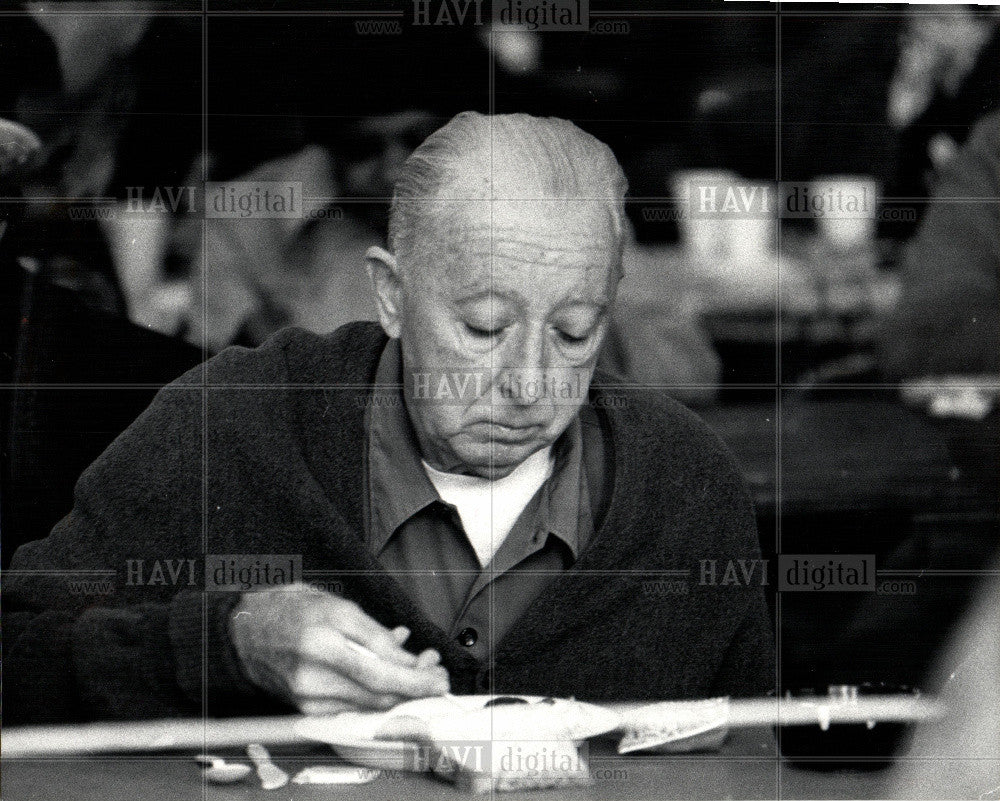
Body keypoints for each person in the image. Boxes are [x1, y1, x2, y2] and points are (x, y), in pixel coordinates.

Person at [5, 112, 772, 724]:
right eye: (482, 326)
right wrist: (226, 644)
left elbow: (756, 761)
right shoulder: (236, 427)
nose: (531, 383)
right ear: (391, 296)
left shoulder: (683, 485)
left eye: (576, 331)